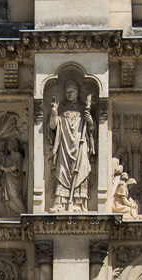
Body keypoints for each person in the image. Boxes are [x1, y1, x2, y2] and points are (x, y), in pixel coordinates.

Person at [47, 80, 94, 212]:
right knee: (62, 171)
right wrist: (54, 112)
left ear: (78, 92)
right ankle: (60, 202)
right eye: (67, 92)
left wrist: (90, 121)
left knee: (81, 170)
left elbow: (91, 129)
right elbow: (53, 126)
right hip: (64, 145)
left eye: (71, 92)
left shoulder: (84, 108)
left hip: (80, 144)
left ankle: (78, 203)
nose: (69, 94)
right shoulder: (61, 108)